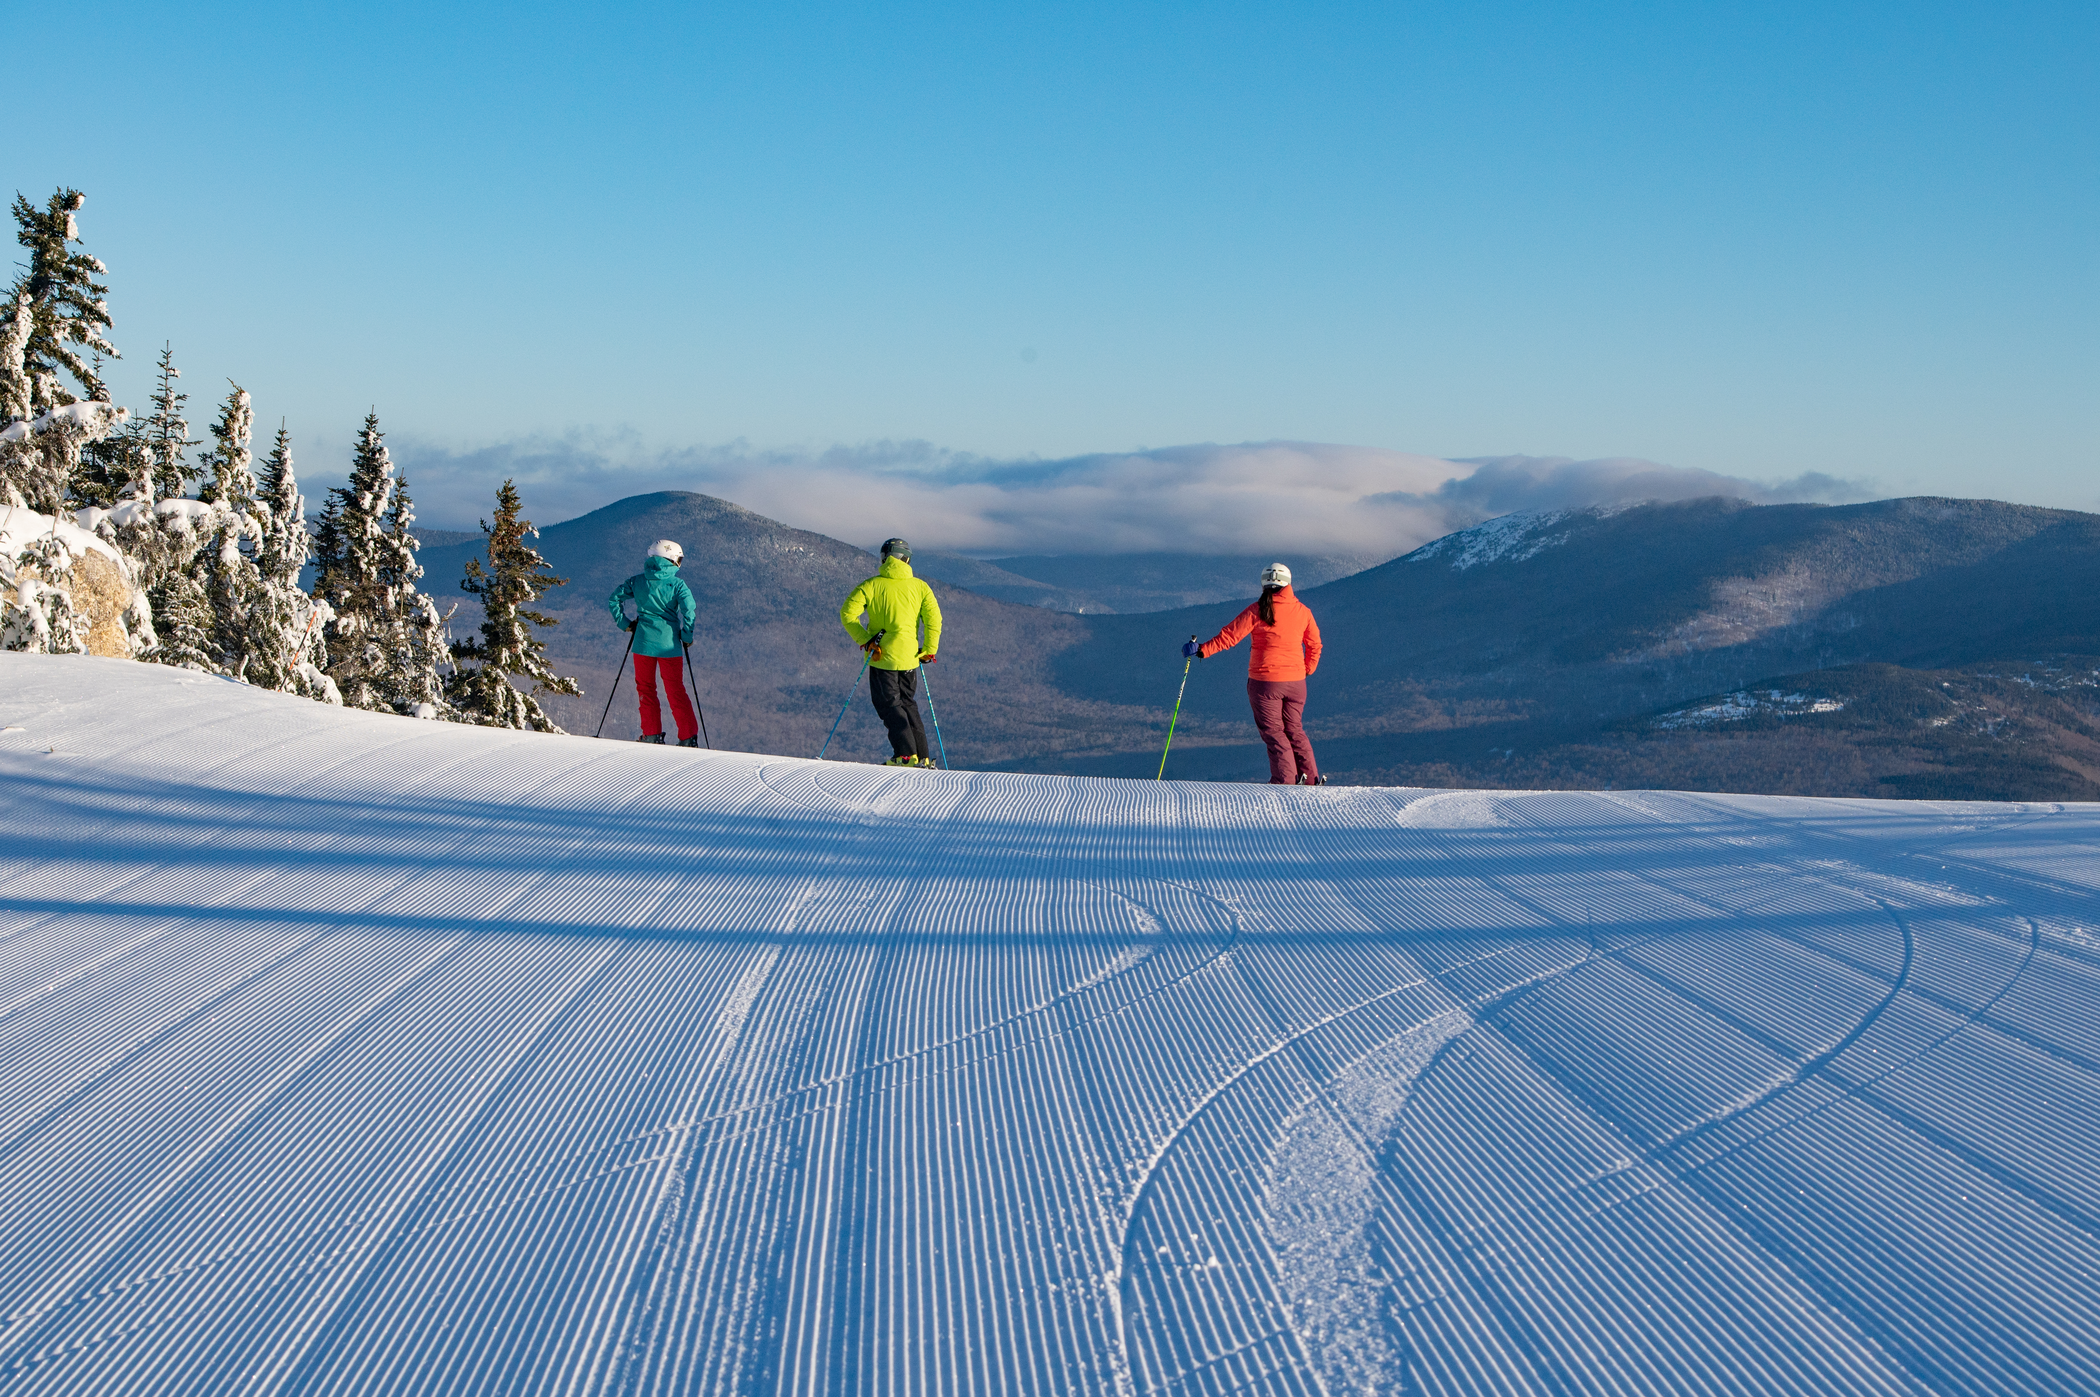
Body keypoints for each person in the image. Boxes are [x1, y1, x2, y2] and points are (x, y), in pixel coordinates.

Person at [1187, 562, 1326, 784]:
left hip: (1265, 683)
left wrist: (1202, 650)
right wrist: (1307, 668)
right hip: (1297, 683)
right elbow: (1315, 645)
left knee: (1274, 733)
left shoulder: (1257, 610)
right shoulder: (1303, 612)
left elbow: (1229, 636)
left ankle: (1285, 782)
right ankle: (1311, 779)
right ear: (1287, 583)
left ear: (1265, 584)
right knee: (1294, 730)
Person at [839, 537, 944, 767]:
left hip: (881, 657)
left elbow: (847, 613)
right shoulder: (920, 587)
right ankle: (922, 756)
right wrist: (929, 649)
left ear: (886, 558)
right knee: (908, 702)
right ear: (906, 559)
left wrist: (866, 641)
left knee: (889, 705)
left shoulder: (871, 586)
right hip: (910, 658)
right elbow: (934, 620)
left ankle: (905, 756)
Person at [607, 539, 700, 747]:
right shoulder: (677, 585)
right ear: (672, 560)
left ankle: (651, 735)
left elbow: (614, 599)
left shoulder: (637, 581)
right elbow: (689, 611)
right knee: (676, 690)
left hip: (642, 643)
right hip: (670, 646)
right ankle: (687, 737)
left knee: (646, 689)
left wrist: (625, 624)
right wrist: (687, 636)